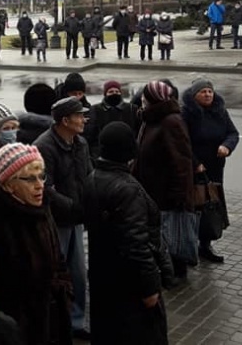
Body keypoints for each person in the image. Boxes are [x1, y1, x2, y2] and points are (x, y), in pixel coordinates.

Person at [0, 143, 72, 344]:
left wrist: (64, 292)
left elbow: (58, 260)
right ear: (8, 184)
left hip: (52, 321)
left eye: (41, 176)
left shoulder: (42, 210)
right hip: (15, 328)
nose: (39, 185)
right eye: (30, 178)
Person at [84, 122, 168, 345]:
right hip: (128, 285)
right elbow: (137, 244)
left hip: (103, 276)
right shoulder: (127, 189)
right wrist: (150, 288)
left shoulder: (93, 177)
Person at [33, 98, 91, 341]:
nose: (84, 120)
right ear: (65, 121)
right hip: (55, 221)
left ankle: (76, 320)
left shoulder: (81, 143)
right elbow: (45, 188)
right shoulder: (44, 146)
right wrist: (71, 206)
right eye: (79, 116)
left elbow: (88, 175)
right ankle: (54, 321)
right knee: (56, 273)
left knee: (78, 273)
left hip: (76, 219)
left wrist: (91, 202)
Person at [135, 81, 194, 280]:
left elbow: (181, 161)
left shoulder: (170, 121)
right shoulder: (151, 118)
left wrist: (179, 193)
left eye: (145, 97)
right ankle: (167, 268)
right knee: (159, 233)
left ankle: (177, 271)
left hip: (166, 191)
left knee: (172, 234)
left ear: (153, 99)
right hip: (152, 188)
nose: (142, 100)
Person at [181, 78, 239, 262]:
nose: (207, 95)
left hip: (215, 167)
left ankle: (205, 245)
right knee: (193, 207)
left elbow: (233, 133)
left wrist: (227, 146)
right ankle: (187, 246)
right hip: (194, 169)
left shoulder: (219, 111)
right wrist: (195, 163)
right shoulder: (186, 113)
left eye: (210, 91)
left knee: (210, 207)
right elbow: (182, 142)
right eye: (203, 92)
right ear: (194, 94)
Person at [87, 80, 140, 159]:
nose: (114, 93)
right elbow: (91, 133)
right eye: (111, 91)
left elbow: (137, 131)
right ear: (105, 94)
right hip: (102, 153)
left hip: (126, 153)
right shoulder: (95, 109)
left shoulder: (132, 109)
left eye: (117, 91)